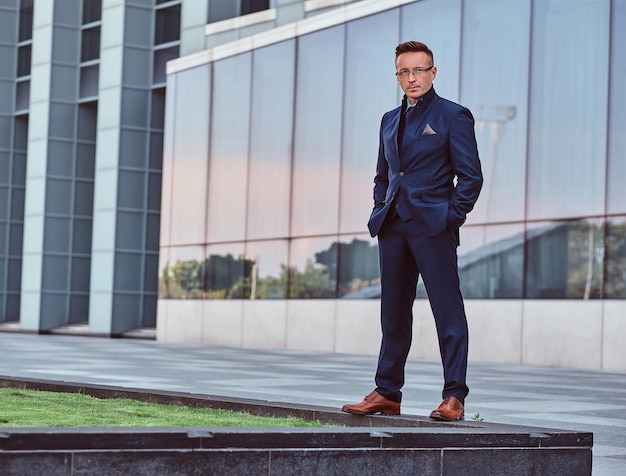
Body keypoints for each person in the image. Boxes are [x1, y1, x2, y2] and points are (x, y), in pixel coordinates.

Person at [341, 41, 483, 421]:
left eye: (419, 70)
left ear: (432, 73)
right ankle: (387, 391)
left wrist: (450, 217)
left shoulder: (454, 116)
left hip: (433, 227)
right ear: (398, 76)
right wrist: (379, 207)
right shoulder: (388, 119)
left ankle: (454, 396)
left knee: (447, 311)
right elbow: (383, 174)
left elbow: (470, 177)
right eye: (404, 72)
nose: (412, 78)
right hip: (393, 227)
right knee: (393, 313)